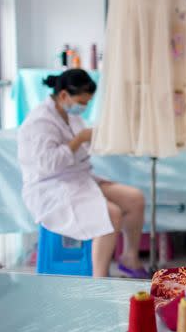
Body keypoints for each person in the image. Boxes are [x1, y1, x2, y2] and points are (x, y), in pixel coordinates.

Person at [17, 70, 148, 278]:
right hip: (50, 186)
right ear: (63, 96)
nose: (84, 107)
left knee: (135, 199)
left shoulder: (70, 115)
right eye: (81, 101)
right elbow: (47, 165)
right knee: (111, 213)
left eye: (87, 103)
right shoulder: (39, 123)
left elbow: (83, 151)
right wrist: (79, 140)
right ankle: (99, 280)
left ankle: (129, 258)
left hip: (78, 178)